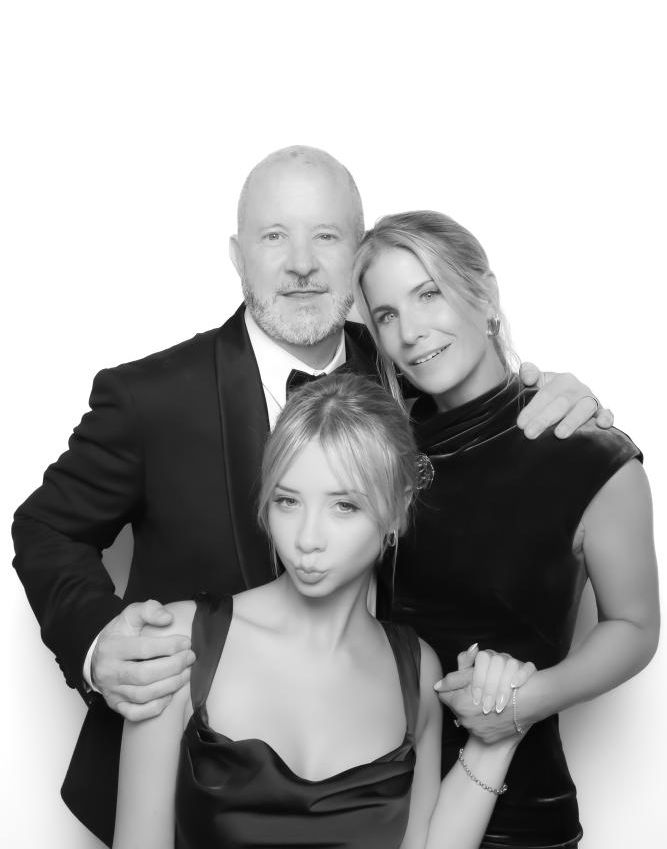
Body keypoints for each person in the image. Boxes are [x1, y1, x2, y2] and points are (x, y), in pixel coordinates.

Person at [12, 146, 609, 846]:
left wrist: (555, 402)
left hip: (382, 785)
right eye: (274, 236)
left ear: (357, 256)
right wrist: (96, 645)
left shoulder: (412, 375)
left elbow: (492, 422)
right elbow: (46, 528)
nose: (300, 263)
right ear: (237, 255)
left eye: (325, 236)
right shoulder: (151, 398)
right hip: (185, 789)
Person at [113, 373, 533, 849]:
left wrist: (496, 742)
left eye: (344, 506)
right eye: (287, 501)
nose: (307, 539)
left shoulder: (416, 670)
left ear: (398, 510)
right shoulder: (179, 641)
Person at [352, 210, 660, 849]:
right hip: (370, 805)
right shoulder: (376, 448)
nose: (410, 331)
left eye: (429, 293)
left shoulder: (589, 452)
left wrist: (523, 704)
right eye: (386, 315)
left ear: (485, 294)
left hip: (515, 816)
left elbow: (634, 627)